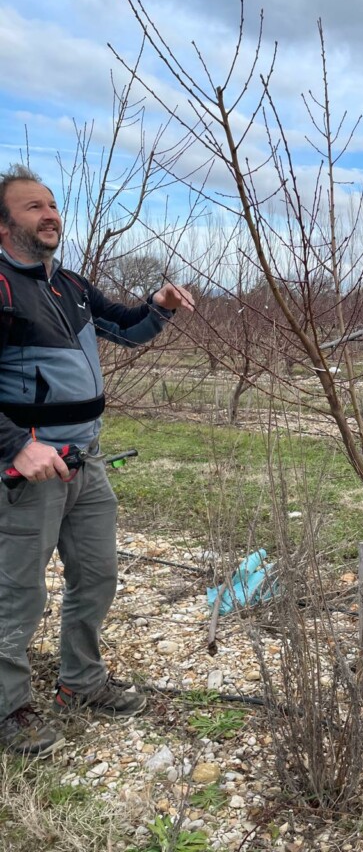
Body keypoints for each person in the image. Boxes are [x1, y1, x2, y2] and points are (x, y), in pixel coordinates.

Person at [0, 164, 195, 757]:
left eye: (52, 204)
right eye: (33, 207)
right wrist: (16, 445)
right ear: (4, 224)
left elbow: (127, 330)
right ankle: (7, 709)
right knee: (17, 593)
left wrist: (158, 305)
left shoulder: (71, 285)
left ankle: (80, 683)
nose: (50, 214)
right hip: (29, 471)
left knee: (98, 576)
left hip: (86, 461)